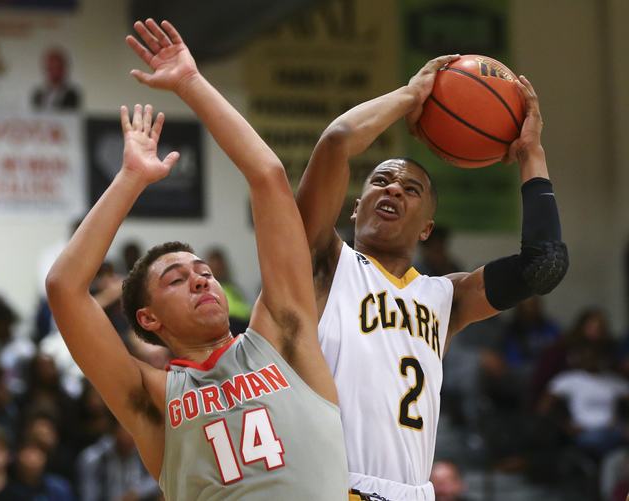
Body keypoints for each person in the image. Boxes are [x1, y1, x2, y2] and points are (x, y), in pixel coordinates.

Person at [45, 18, 348, 501]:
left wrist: (190, 83)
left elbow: (268, 176)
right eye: (177, 279)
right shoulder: (154, 398)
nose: (202, 281)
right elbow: (64, 288)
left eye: (204, 272)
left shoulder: (282, 338)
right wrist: (130, 178)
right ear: (148, 318)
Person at [295, 55, 569, 499]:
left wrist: (530, 154)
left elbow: (545, 264)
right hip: (331, 487)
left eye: (411, 189)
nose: (393, 188)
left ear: (427, 228)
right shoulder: (323, 263)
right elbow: (337, 141)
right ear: (354, 208)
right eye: (381, 181)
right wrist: (410, 97)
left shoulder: (446, 296)